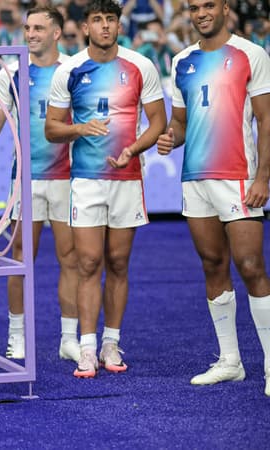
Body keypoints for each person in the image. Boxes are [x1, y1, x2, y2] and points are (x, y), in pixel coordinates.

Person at [0, 6, 80, 363]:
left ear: (56, 32)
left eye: (39, 27)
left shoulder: (74, 69)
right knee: (21, 258)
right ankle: (17, 337)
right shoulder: (11, 73)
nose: (31, 33)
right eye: (27, 27)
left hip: (69, 179)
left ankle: (69, 338)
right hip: (26, 179)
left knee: (71, 259)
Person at [45, 0, 166, 378]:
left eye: (110, 19)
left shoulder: (140, 66)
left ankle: (110, 342)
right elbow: (52, 128)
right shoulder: (69, 70)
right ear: (85, 27)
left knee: (118, 262)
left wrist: (133, 148)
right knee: (87, 263)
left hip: (127, 180)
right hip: (85, 180)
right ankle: (86, 347)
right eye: (97, 20)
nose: (104, 26)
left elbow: (158, 121)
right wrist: (80, 129)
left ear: (118, 24)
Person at [156, 0, 270, 396]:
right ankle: (230, 361)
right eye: (194, 7)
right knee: (212, 264)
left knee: (252, 265)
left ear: (224, 8)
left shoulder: (251, 54)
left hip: (239, 176)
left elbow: (266, 119)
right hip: (195, 178)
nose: (201, 12)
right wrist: (171, 137)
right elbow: (181, 123)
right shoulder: (181, 61)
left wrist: (263, 176)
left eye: (208, 5)